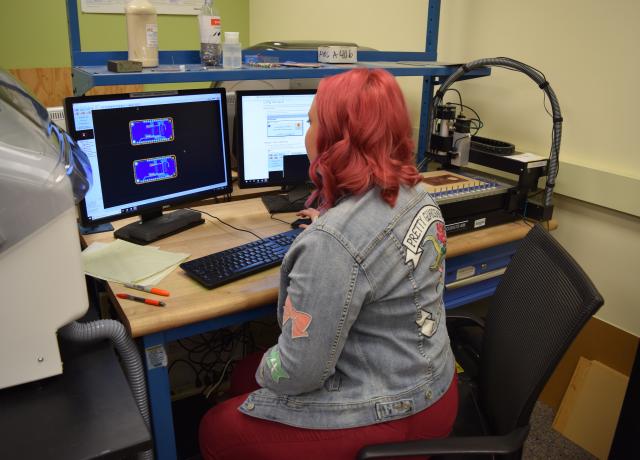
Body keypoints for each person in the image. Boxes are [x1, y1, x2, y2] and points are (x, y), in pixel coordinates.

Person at [199, 68, 457, 460]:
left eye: (310, 121)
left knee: (216, 427)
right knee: (241, 376)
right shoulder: (418, 194)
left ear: (335, 139)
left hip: (395, 414)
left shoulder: (332, 243)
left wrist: (267, 374)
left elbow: (298, 372)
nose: (306, 131)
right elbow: (372, 241)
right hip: (436, 384)